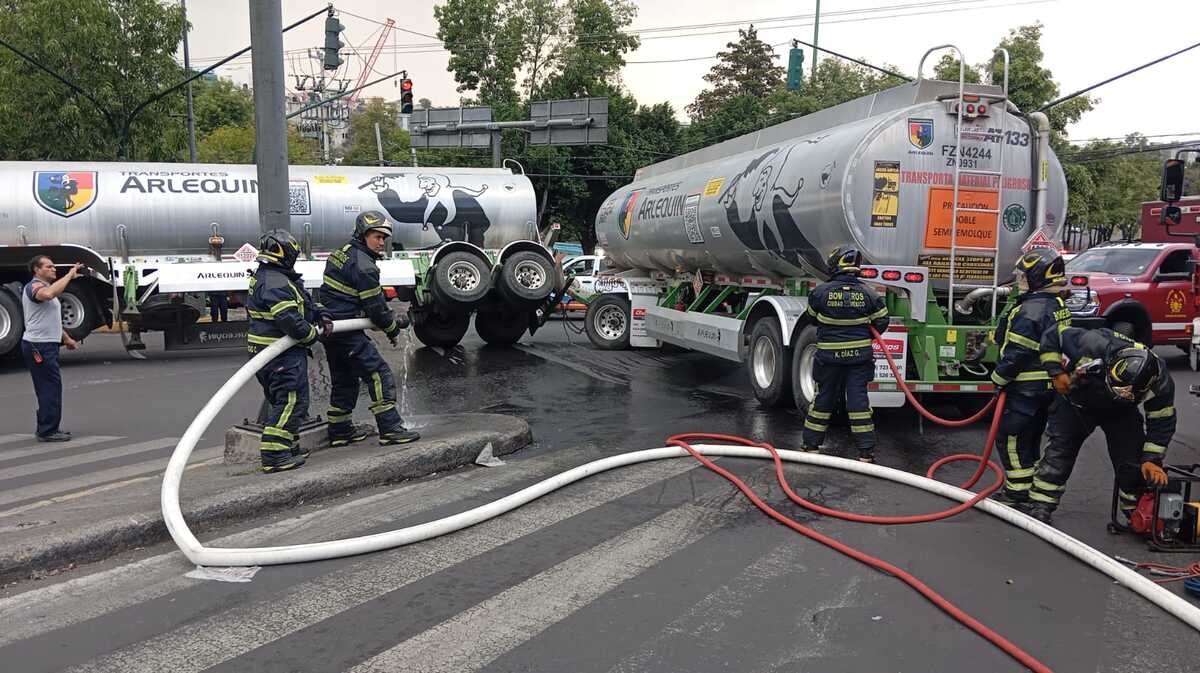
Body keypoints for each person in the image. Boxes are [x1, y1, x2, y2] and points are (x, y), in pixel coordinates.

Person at [1021, 327, 1176, 525]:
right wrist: (1055, 370)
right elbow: (1052, 334)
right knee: (1060, 454)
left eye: (1127, 393)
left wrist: (1152, 459)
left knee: (1132, 460)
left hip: (1121, 413)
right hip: (1077, 404)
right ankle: (1041, 506)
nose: (1118, 393)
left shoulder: (1160, 382)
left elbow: (1162, 421)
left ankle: (1136, 511)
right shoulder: (1092, 343)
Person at [320, 211, 419, 447]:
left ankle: (340, 430)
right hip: (347, 331)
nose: (382, 242)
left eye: (384, 238)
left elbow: (347, 293)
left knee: (344, 380)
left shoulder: (342, 253)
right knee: (379, 374)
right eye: (377, 237)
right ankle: (391, 429)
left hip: (333, 328)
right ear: (363, 235)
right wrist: (393, 329)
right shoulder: (365, 267)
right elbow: (376, 308)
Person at [988, 248, 1072, 505]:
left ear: (1036, 278)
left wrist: (998, 379)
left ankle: (1017, 492)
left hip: (1026, 387)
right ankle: (1032, 489)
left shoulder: (1030, 310)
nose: (1019, 282)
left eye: (1023, 277)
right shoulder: (1057, 305)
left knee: (1010, 438)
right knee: (1031, 438)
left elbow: (1018, 352)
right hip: (1048, 387)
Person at [246, 229, 332, 474]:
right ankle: (275, 455)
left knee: (281, 402)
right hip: (280, 353)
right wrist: (311, 334)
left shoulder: (273, 277)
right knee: (292, 402)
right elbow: (290, 320)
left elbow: (301, 303)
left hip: (267, 353)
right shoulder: (276, 281)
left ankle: (288, 447)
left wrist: (319, 313)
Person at [801, 246, 890, 462]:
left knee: (823, 398)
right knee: (859, 401)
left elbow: (812, 318)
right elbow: (882, 321)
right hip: (859, 358)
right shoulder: (870, 293)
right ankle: (866, 452)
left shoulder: (820, 292)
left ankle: (811, 445)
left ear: (835, 265)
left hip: (829, 358)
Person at [21, 256, 81, 442]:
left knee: (50, 387)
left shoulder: (45, 288)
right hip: (39, 346)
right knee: (49, 388)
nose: (53, 269)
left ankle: (47, 427)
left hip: (46, 344)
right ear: (37, 271)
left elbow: (50, 319)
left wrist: (67, 338)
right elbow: (48, 295)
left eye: (54, 266)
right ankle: (47, 431)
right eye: (48, 267)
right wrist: (70, 275)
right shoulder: (34, 287)